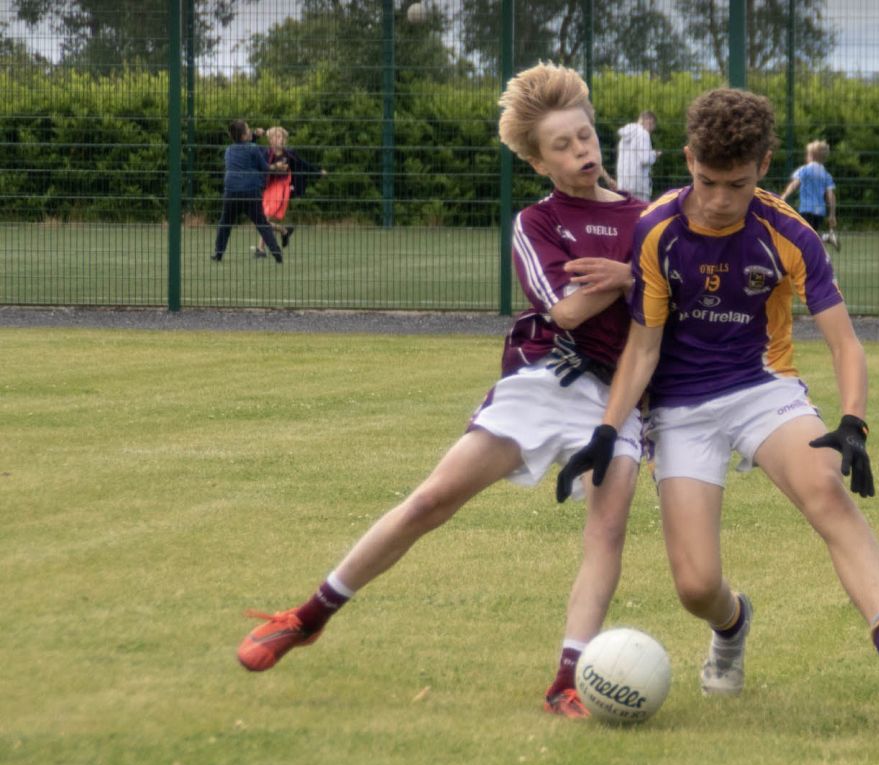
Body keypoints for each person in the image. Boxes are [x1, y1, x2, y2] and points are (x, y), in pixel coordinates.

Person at [236, 63, 648, 719]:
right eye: (562, 146)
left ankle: (566, 679)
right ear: (540, 163)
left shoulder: (649, 218)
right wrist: (633, 278)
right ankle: (309, 614)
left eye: (584, 135)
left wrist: (627, 273)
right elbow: (567, 311)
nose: (581, 151)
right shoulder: (537, 222)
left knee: (607, 529)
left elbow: (666, 293)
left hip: (618, 394)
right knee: (432, 499)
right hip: (547, 374)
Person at [556, 87, 879, 710]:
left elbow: (845, 345)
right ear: (688, 159)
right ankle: (732, 625)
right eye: (709, 181)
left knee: (825, 486)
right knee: (695, 586)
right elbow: (642, 350)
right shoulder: (656, 229)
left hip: (762, 389)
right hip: (680, 409)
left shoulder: (788, 231)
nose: (720, 201)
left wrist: (852, 422)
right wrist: (608, 432)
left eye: (737, 185)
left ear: (765, 167)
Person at [211, 119, 284, 264]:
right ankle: (277, 254)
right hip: (250, 191)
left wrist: (255, 136)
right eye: (248, 129)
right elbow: (265, 167)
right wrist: (277, 166)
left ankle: (218, 254)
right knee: (262, 223)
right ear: (244, 135)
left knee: (225, 223)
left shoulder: (229, 150)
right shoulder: (252, 148)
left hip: (231, 192)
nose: (251, 130)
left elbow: (244, 147)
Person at [254, 126, 327, 259]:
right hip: (268, 188)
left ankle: (260, 249)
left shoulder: (289, 154)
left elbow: (304, 165)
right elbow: (253, 154)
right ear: (270, 140)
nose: (279, 139)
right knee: (262, 218)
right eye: (276, 137)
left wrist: (317, 172)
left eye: (281, 137)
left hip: (281, 187)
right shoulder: (265, 153)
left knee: (265, 217)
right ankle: (284, 231)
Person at [781, 139, 838, 252]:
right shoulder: (826, 174)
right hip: (820, 212)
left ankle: (826, 239)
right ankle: (820, 251)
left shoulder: (804, 170)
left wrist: (784, 196)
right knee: (810, 236)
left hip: (806, 209)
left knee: (803, 236)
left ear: (810, 155)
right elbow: (831, 196)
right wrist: (832, 214)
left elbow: (794, 184)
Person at [614, 110, 659, 201]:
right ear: (649, 121)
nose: (652, 129)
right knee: (642, 213)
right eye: (653, 125)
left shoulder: (625, 136)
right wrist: (654, 155)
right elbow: (645, 159)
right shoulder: (643, 134)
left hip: (623, 182)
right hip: (639, 185)